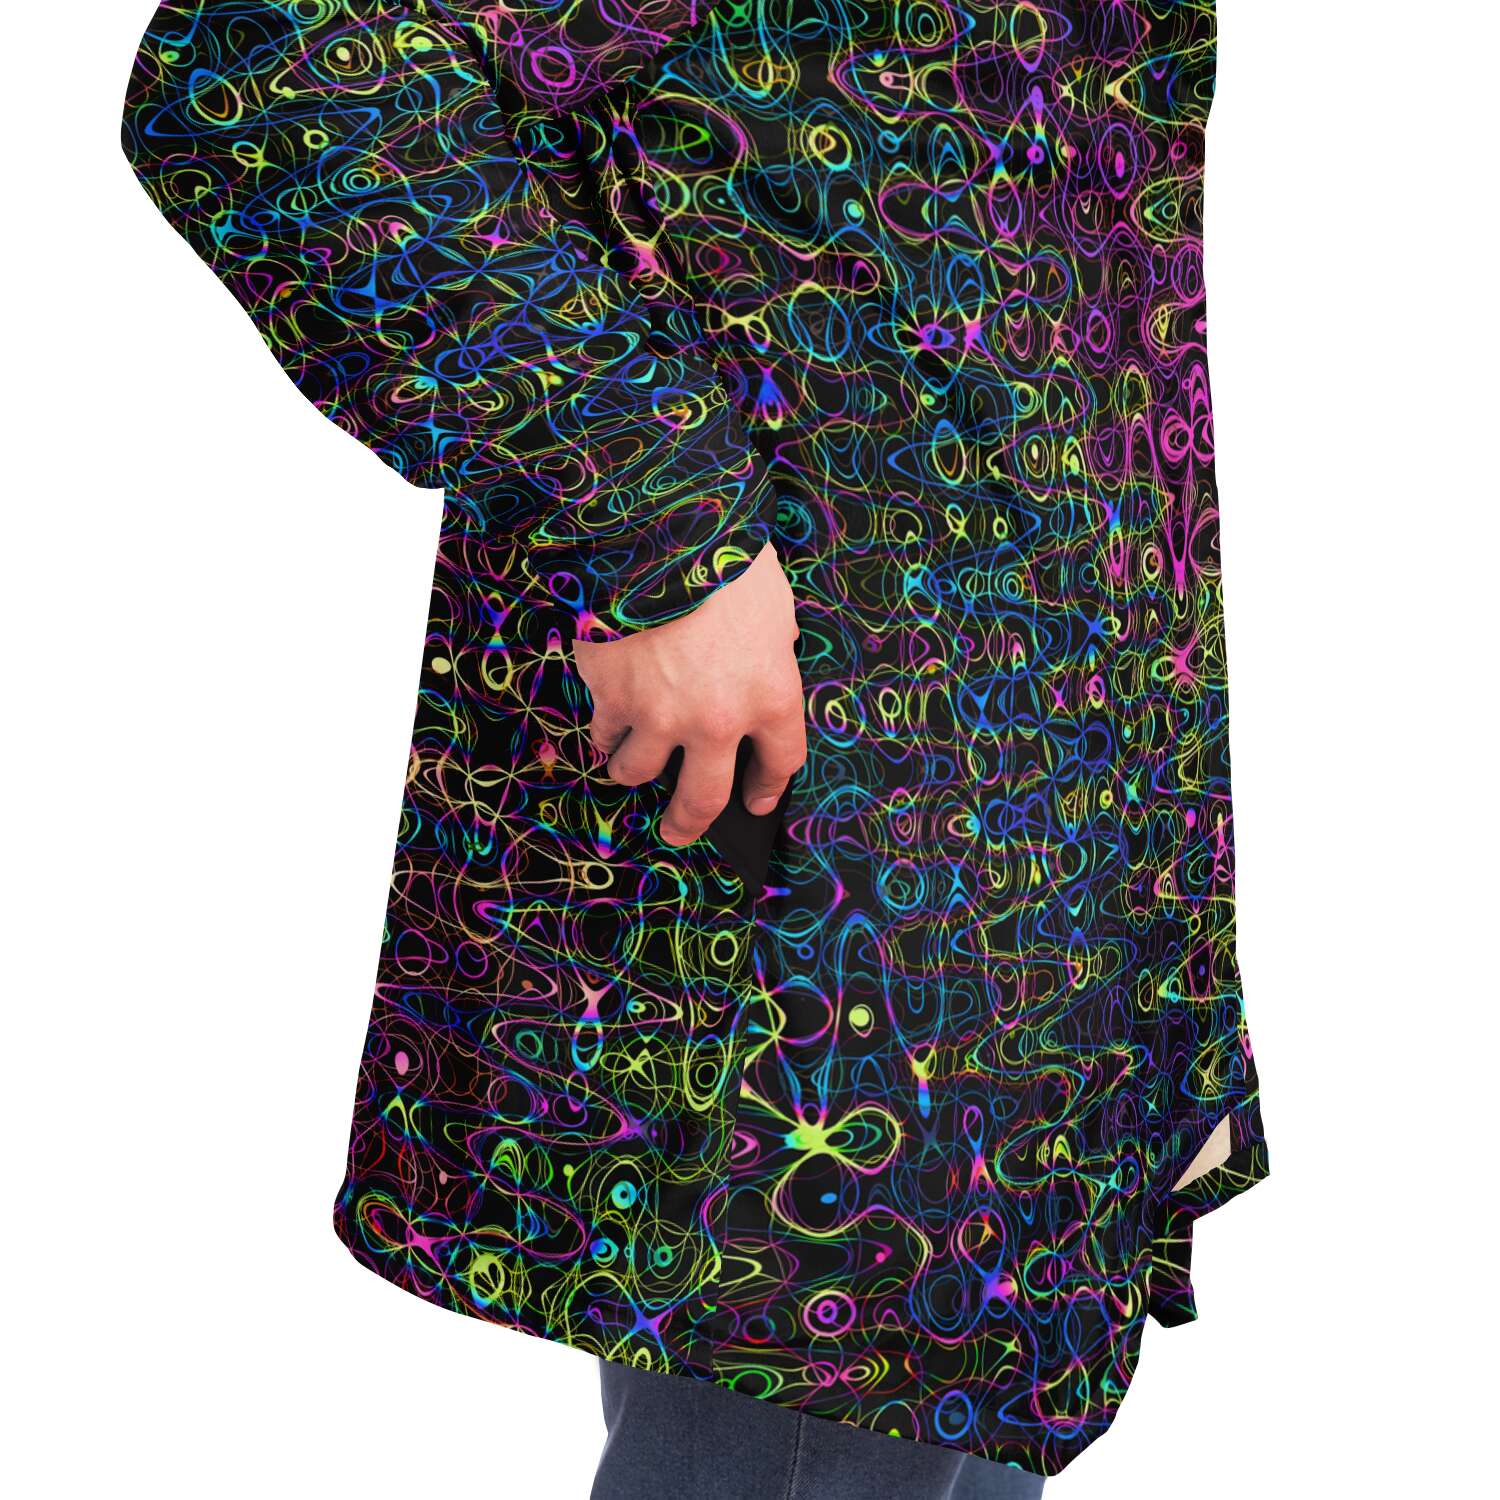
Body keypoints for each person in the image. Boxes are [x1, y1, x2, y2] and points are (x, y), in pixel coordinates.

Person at [120, 0, 1269, 1487]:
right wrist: (660, 522)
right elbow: (274, 65)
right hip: (836, 875)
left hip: (1023, 880)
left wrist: (1164, 965)